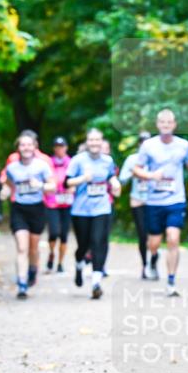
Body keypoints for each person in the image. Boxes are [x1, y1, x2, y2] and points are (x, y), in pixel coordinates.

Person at [131, 109, 188, 296]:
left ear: (174, 124)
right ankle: (153, 257)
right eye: (162, 122)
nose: (166, 125)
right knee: (153, 242)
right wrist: (151, 175)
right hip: (153, 201)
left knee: (173, 238)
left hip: (175, 200)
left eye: (169, 122)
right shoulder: (148, 146)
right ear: (157, 125)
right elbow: (136, 170)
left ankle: (171, 281)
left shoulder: (183, 145)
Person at [65, 128, 121, 299]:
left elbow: (110, 176)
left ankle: (96, 282)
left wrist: (115, 183)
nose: (94, 143)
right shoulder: (78, 160)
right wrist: (83, 178)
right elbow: (66, 183)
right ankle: (79, 265)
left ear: (101, 142)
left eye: (97, 140)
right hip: (81, 210)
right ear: (87, 142)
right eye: (91, 140)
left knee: (98, 242)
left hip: (102, 207)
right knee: (83, 245)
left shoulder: (107, 160)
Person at [1, 135, 56, 299]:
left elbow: (52, 187)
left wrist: (39, 185)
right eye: (22, 145)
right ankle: (22, 283)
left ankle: (33, 269)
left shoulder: (42, 166)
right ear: (18, 147)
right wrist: (4, 191)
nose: (26, 148)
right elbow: (8, 185)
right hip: (19, 210)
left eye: (29, 145)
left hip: (37, 209)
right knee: (22, 248)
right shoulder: (12, 168)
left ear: (34, 147)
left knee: (33, 248)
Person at [118, 130, 152, 278]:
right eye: (142, 142)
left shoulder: (156, 159)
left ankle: (154, 262)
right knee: (143, 235)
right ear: (139, 144)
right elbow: (122, 179)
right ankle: (145, 265)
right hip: (137, 200)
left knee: (155, 235)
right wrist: (134, 172)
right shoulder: (132, 159)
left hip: (154, 201)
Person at [45, 136, 73, 273]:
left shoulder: (72, 163)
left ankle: (60, 263)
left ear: (66, 148)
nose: (59, 149)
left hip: (67, 202)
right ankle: (51, 253)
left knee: (64, 234)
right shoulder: (49, 163)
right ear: (54, 148)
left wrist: (73, 187)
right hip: (52, 203)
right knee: (54, 232)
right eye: (57, 147)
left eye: (62, 146)